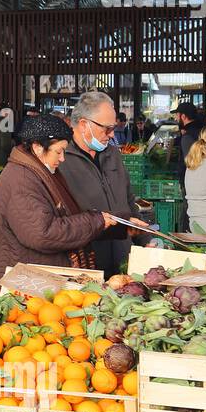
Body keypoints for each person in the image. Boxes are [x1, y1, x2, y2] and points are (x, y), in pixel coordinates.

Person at [0, 114, 115, 291]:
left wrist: (108, 221)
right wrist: (93, 221)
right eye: (58, 151)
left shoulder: (39, 171)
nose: (62, 158)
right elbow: (43, 233)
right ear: (37, 147)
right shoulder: (22, 179)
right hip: (24, 288)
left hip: (35, 282)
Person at [59, 91, 148, 278]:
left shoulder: (112, 154)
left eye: (113, 128)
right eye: (106, 129)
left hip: (123, 260)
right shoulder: (61, 159)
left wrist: (145, 238)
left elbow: (128, 201)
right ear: (84, 125)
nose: (112, 134)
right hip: (86, 266)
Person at [173, 101, 204, 185]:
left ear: (183, 116)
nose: (176, 118)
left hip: (191, 182)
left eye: (177, 115)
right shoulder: (201, 130)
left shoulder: (188, 136)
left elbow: (191, 164)